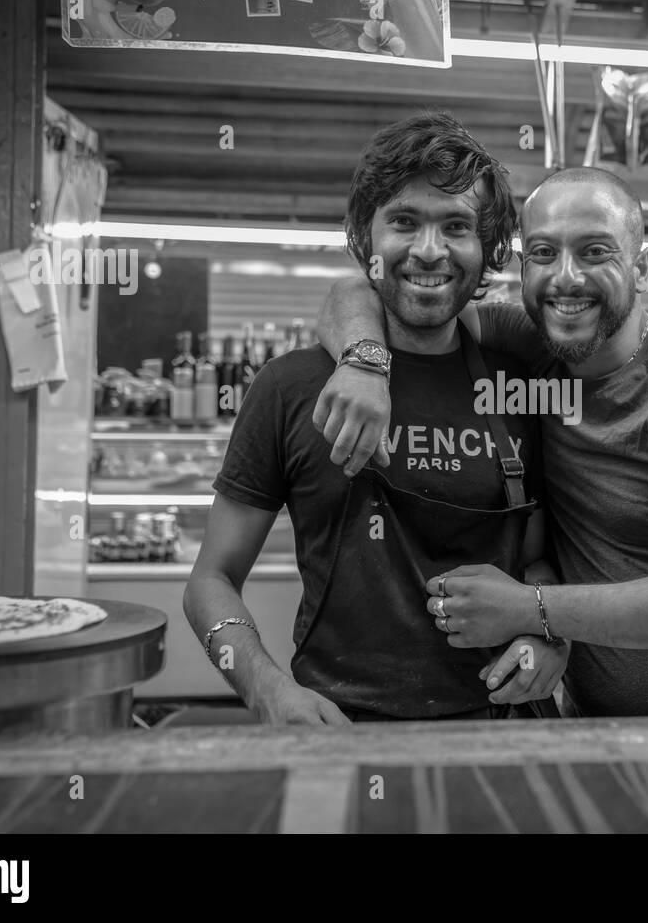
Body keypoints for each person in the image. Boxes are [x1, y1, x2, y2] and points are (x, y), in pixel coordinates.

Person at [315, 165, 648, 716]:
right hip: (590, 721)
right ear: (522, 266)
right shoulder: (542, 349)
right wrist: (366, 362)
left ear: (642, 268)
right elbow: (362, 292)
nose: (566, 278)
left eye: (594, 252)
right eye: (543, 253)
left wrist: (530, 609)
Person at [183, 112, 566, 724]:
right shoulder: (288, 387)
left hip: (503, 726)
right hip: (336, 728)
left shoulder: (520, 387)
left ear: (486, 249)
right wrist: (266, 690)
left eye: (457, 226)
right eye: (404, 222)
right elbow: (211, 579)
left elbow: (539, 559)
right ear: (366, 238)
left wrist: (550, 634)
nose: (429, 250)